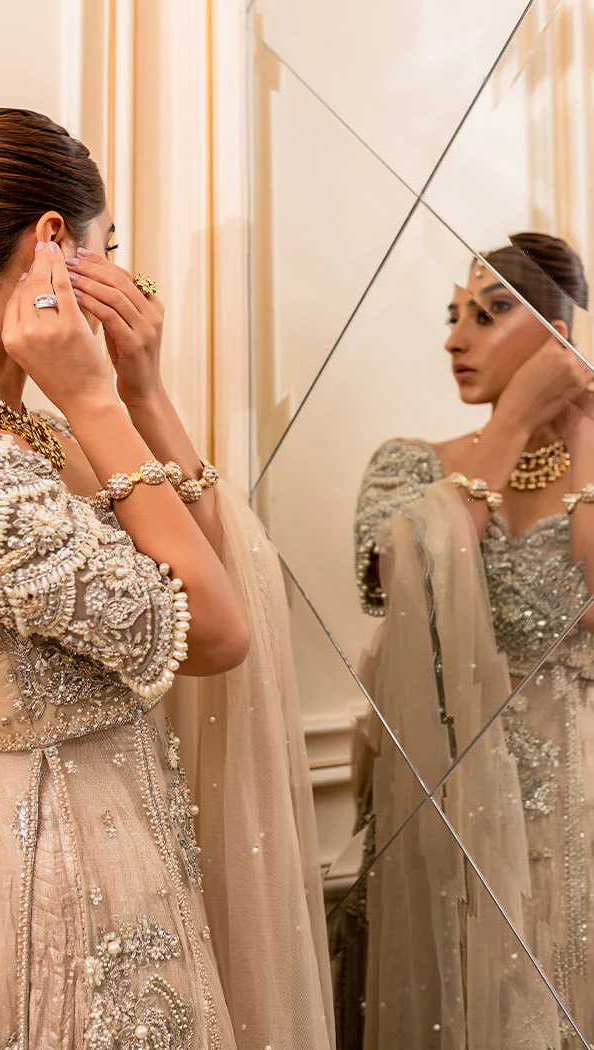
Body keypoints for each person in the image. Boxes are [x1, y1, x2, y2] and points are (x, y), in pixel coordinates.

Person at [0, 107, 334, 1050]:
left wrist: (143, 391)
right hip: (54, 889)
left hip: (132, 854)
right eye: (106, 247)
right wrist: (93, 395)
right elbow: (217, 635)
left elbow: (212, 573)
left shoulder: (38, 438)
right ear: (53, 241)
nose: (120, 272)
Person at [345, 233, 594, 1047]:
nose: (455, 338)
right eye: (454, 316)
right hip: (455, 796)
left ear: (563, 333)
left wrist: (583, 430)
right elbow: (404, 580)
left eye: (487, 315)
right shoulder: (409, 467)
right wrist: (514, 422)